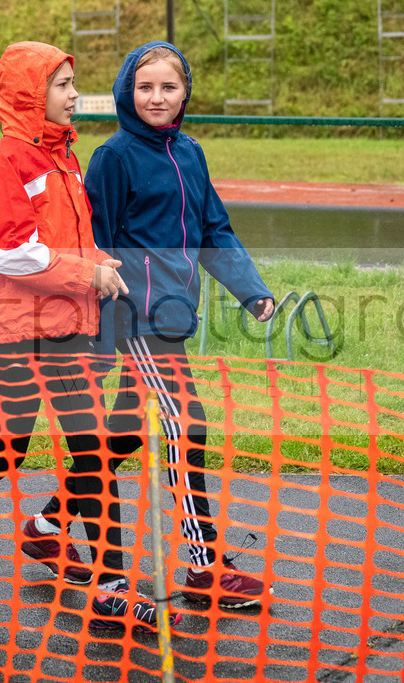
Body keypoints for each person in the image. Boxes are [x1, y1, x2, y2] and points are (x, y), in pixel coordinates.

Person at [0, 42, 168, 632]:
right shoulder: (6, 163)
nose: (74, 95)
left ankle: (112, 586)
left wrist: (105, 266)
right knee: (9, 446)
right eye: (62, 85)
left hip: (68, 329)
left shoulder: (64, 159)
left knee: (90, 451)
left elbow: (69, 239)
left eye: (73, 83)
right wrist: (86, 272)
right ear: (29, 94)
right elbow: (13, 254)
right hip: (15, 335)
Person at [86, 41, 276, 610]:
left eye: (168, 88)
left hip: (173, 318)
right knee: (186, 427)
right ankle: (202, 566)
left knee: (117, 439)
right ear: (127, 91)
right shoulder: (113, 157)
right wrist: (107, 320)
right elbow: (94, 242)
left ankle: (46, 531)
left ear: (185, 92)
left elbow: (214, 228)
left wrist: (251, 290)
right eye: (145, 88)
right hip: (136, 320)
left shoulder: (191, 153)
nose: (156, 98)